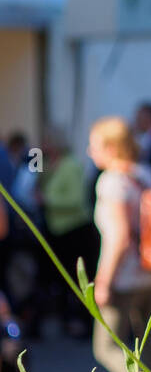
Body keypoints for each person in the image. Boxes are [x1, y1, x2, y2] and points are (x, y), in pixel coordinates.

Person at [88, 117, 151, 372]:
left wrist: (103, 281)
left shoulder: (111, 181)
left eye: (94, 145)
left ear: (111, 147)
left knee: (107, 346)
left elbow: (119, 236)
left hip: (126, 277)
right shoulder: (145, 173)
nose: (89, 151)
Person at [36, 127, 94, 337]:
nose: (44, 146)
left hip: (74, 230)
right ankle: (65, 321)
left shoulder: (70, 166)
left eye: (47, 142)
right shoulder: (51, 166)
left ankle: (87, 323)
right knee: (54, 279)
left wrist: (47, 201)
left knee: (79, 280)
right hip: (56, 230)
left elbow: (77, 200)